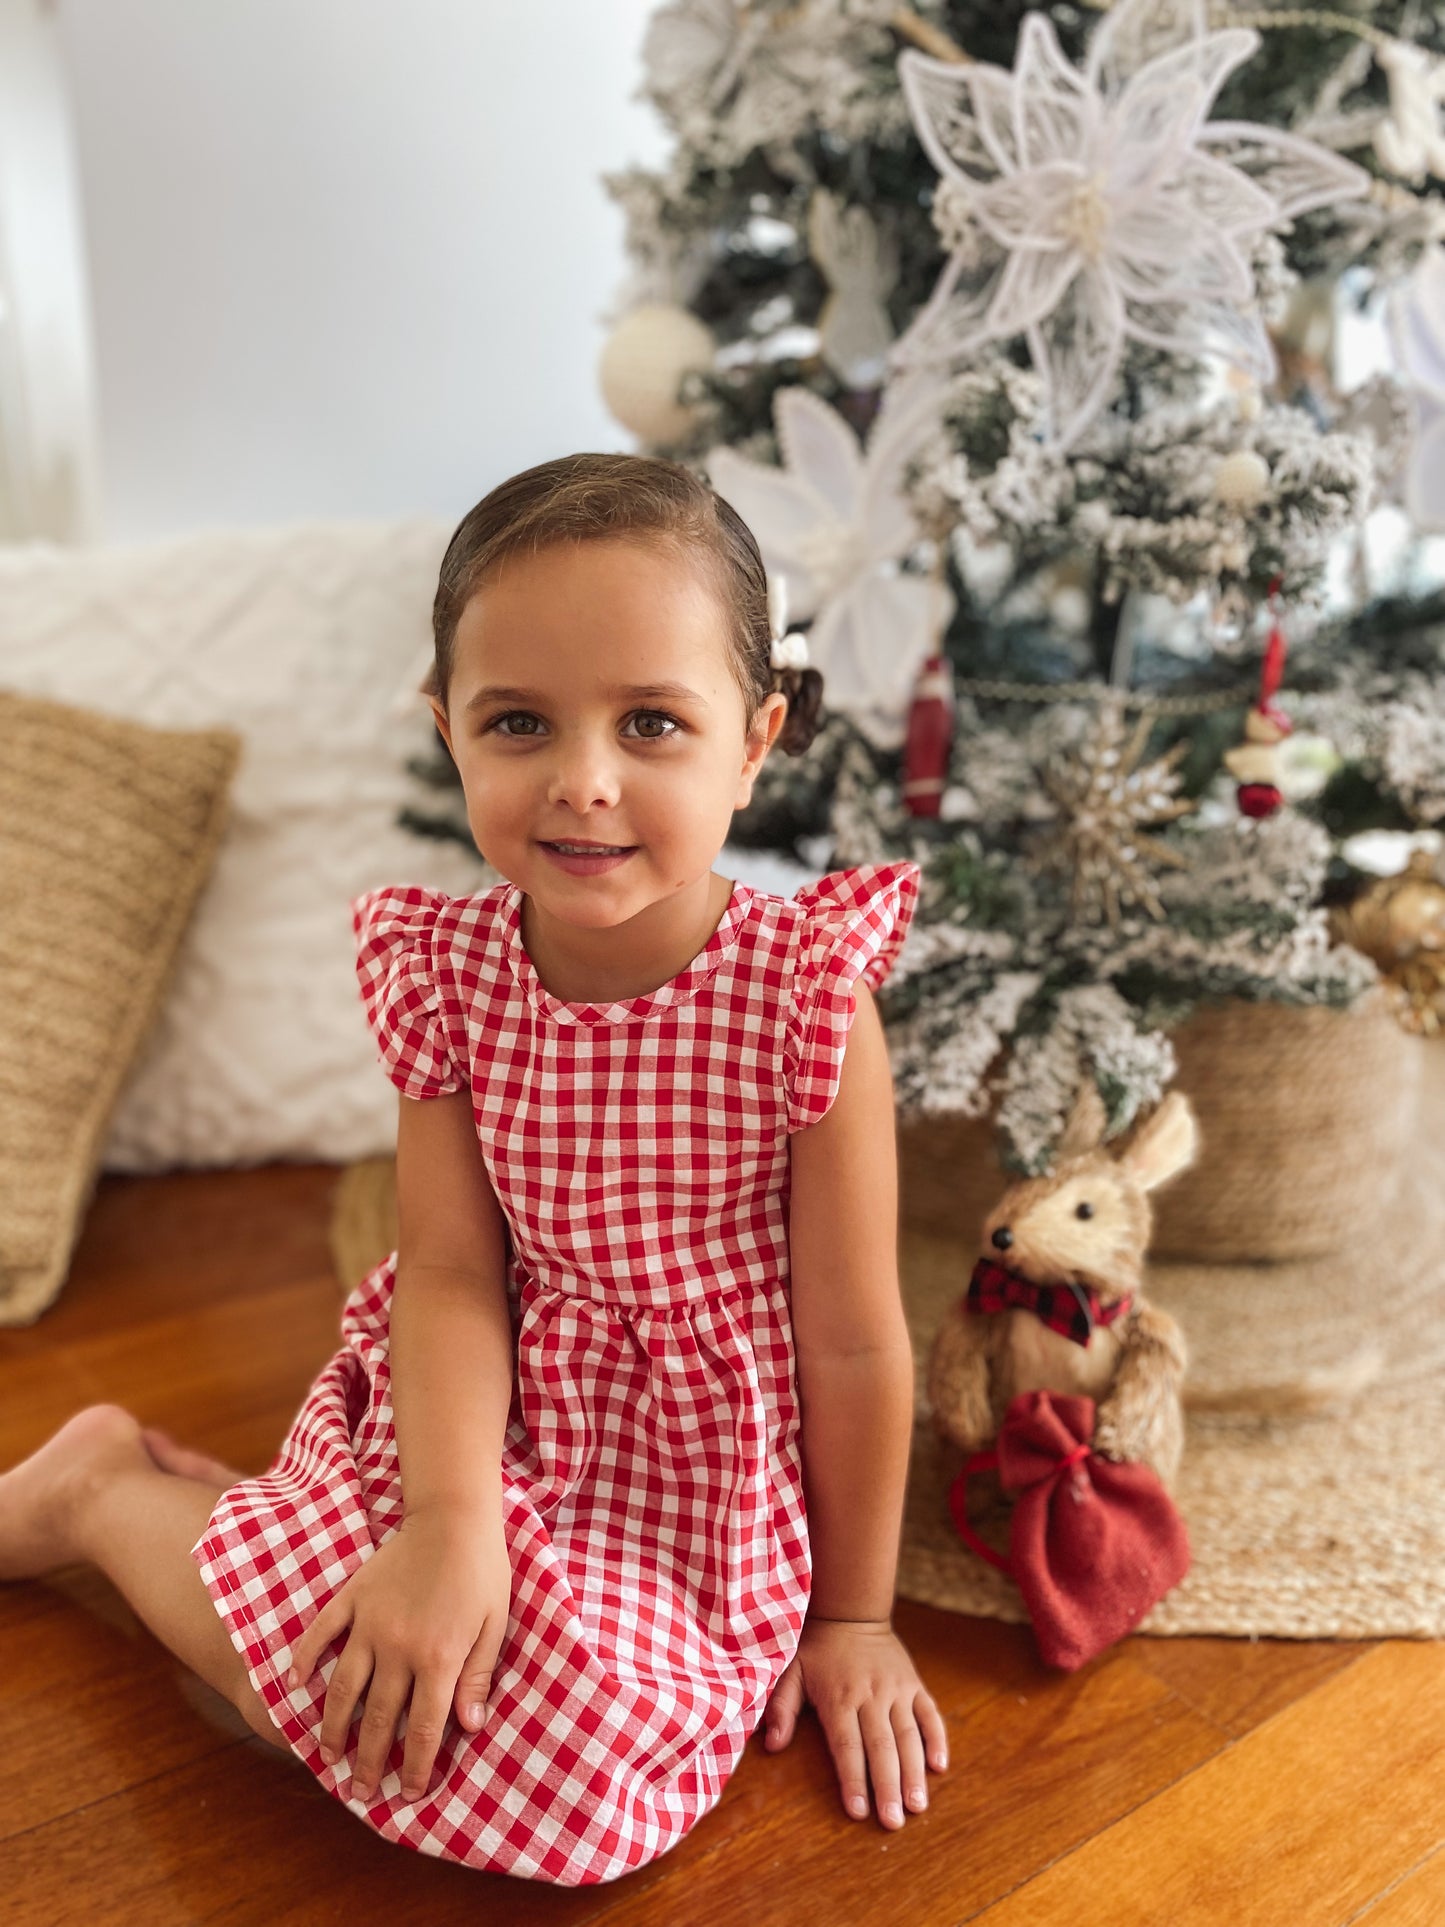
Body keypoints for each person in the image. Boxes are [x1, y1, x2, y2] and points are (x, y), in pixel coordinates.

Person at [0, 452, 948, 1886]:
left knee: (562, 1792)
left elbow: (854, 1334)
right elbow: (448, 1271)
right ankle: (98, 1494)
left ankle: (144, 1505)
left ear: (752, 742)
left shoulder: (802, 994)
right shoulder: (446, 975)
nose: (582, 782)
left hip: (686, 1477)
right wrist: (451, 1533)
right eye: (519, 722)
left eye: (650, 723)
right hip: (478, 1410)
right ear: (448, 730)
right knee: (344, 1685)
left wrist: (855, 1621)